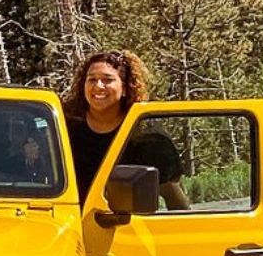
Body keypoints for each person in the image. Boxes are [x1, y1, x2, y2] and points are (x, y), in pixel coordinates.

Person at [61, 50, 189, 209]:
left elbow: (174, 198)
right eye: (92, 79)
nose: (98, 86)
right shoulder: (63, 127)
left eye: (107, 80)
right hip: (67, 224)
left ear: (126, 87)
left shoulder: (148, 135)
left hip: (127, 227)